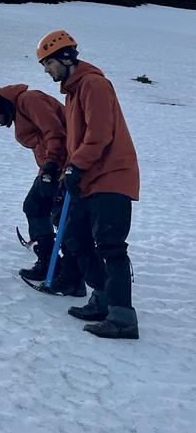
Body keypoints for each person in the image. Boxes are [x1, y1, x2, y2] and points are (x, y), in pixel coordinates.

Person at [37, 30, 140, 340]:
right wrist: (68, 169)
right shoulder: (72, 93)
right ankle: (103, 298)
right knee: (74, 235)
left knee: (110, 246)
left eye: (49, 63)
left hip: (112, 176)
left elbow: (100, 134)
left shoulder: (94, 85)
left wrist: (76, 166)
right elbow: (77, 141)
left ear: (66, 58)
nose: (46, 70)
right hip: (88, 176)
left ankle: (123, 318)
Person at [0, 84, 83, 292]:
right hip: (53, 168)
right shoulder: (20, 109)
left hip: (64, 167)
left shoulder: (29, 100)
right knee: (34, 206)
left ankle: (71, 276)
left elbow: (55, 132)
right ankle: (50, 262)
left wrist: (52, 166)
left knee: (62, 217)